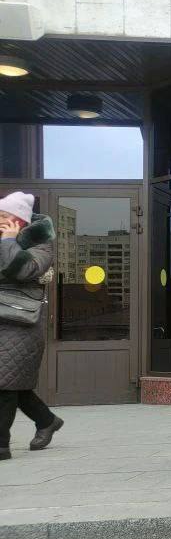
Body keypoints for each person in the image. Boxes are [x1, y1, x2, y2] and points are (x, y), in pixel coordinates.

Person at [0, 192, 62, 461]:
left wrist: (8, 241)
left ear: (20, 220)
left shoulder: (41, 244)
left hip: (20, 323)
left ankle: (1, 445)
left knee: (4, 385)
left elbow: (21, 270)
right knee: (12, 382)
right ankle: (46, 420)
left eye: (4, 216)